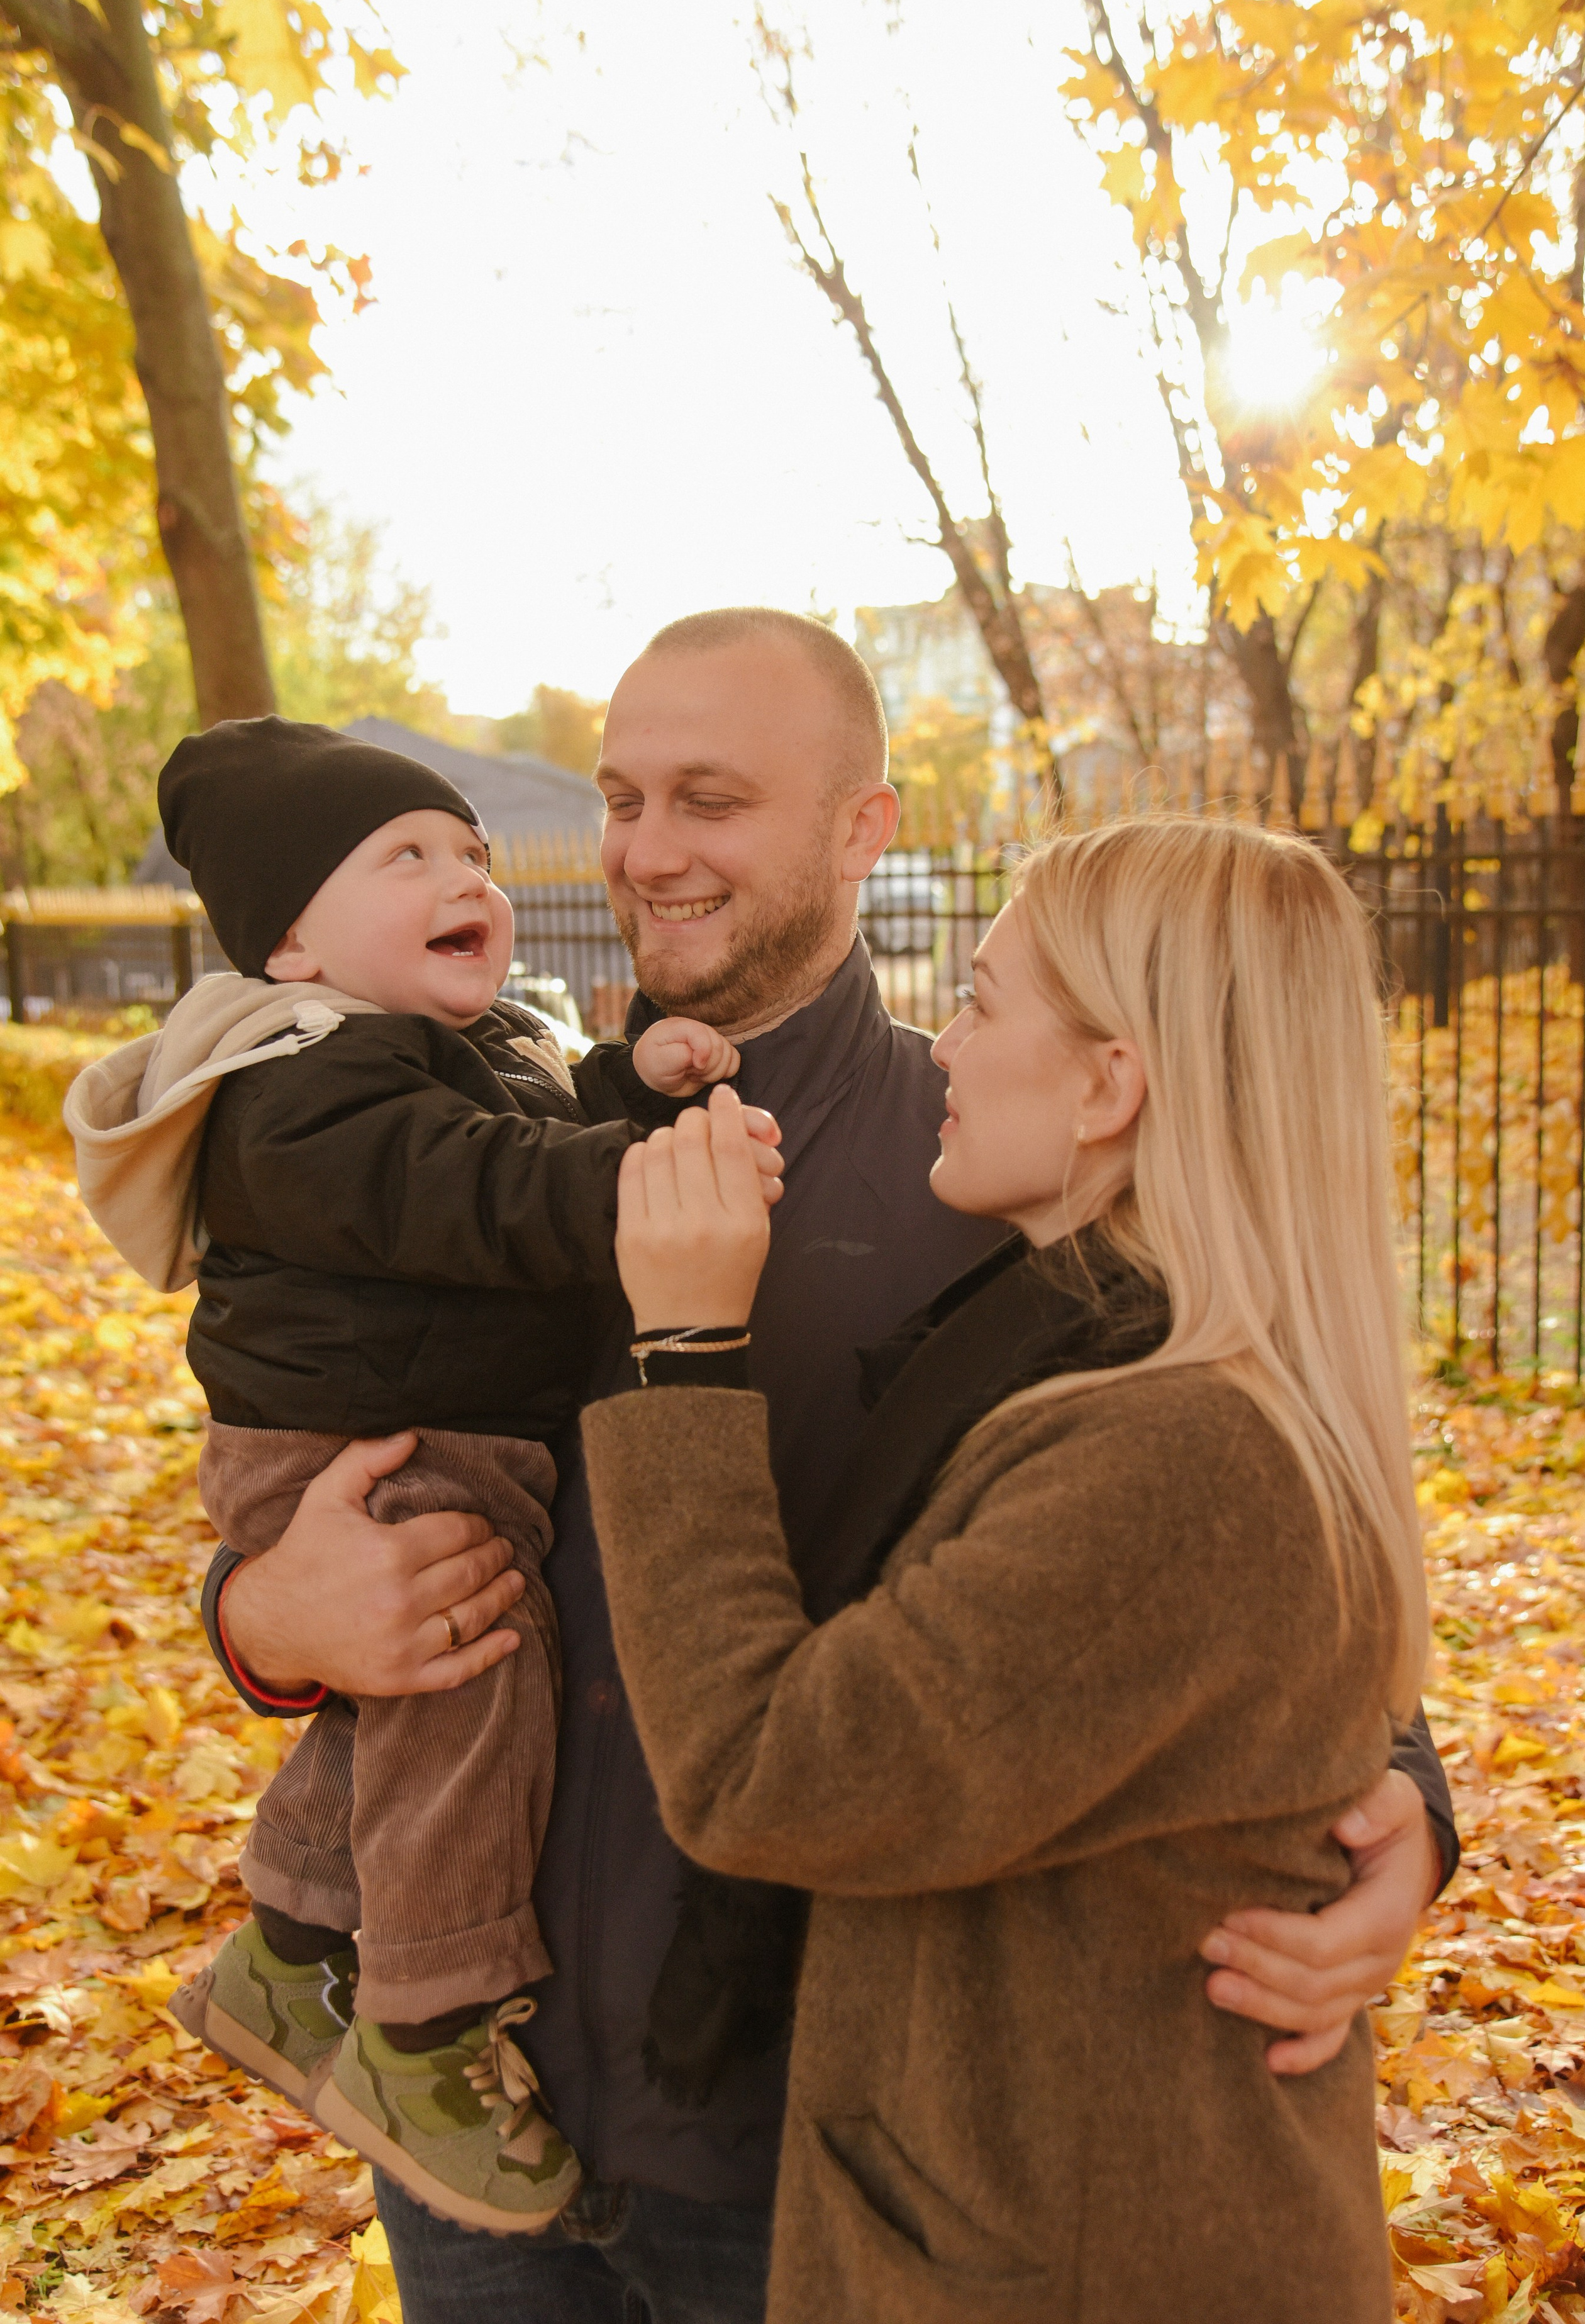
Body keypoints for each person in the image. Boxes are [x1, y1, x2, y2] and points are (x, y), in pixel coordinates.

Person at [203, 612, 1457, 2323]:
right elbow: (285, 1436)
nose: (648, 850)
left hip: (801, 2132)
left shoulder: (983, 1166)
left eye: (709, 799)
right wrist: (265, 1617)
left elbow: (1222, 1498)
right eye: (622, 796)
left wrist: (1401, 1803)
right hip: (466, 2095)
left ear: (861, 826)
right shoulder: (454, 1130)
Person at [586, 818, 1428, 2323]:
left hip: (1070, 2264)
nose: (947, 1046)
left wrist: (685, 1351)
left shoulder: (1176, 1454)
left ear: (1111, 1082)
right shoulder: (1099, 1347)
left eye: (979, 1001)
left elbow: (761, 1774)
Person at [64, 715, 781, 2238]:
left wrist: (628, 1081)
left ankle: (287, 1942)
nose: (467, 872)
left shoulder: (473, 1044)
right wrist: (641, 1174)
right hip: (356, 1444)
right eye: (407, 856)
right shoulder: (298, 1087)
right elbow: (466, 1186)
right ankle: (426, 2029)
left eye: (469, 849)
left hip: (424, 1427)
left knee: (425, 1685)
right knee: (469, 1672)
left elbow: (533, 1117)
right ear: (293, 946)